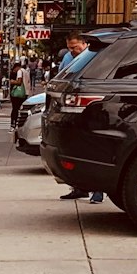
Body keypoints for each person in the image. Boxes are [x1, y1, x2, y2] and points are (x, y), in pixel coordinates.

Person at [57, 35, 102, 204]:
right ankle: (79, 187)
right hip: (74, 110)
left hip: (93, 110)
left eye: (75, 47)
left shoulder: (97, 56)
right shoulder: (70, 58)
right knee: (76, 151)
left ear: (85, 44)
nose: (72, 51)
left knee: (96, 151)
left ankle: (97, 190)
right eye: (69, 47)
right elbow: (62, 78)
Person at [8, 60, 28, 130]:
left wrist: (12, 81)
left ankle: (13, 123)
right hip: (25, 93)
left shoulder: (20, 71)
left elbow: (19, 82)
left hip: (18, 93)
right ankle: (21, 124)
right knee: (22, 109)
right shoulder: (25, 71)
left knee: (15, 109)